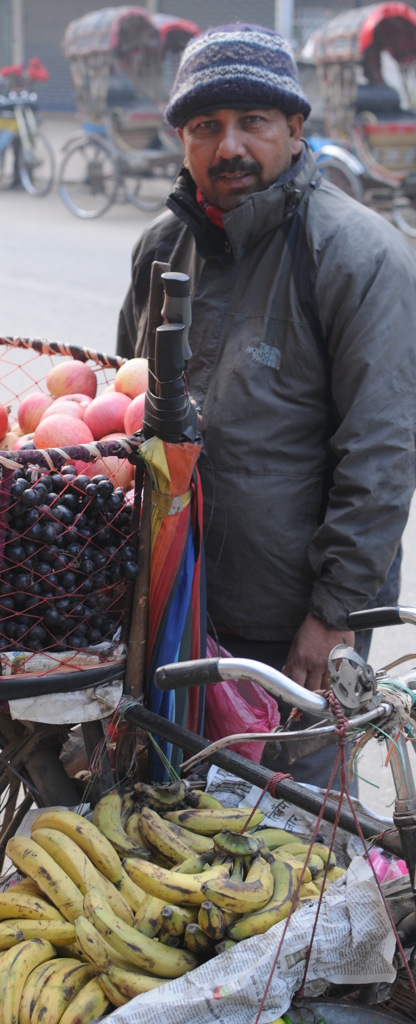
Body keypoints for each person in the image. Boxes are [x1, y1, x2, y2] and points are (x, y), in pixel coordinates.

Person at [117, 25, 416, 786]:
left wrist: (333, 617)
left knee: (294, 843)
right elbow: (121, 411)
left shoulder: (358, 256)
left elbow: (380, 453)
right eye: (206, 127)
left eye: (253, 121)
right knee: (171, 824)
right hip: (173, 602)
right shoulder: (160, 247)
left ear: (294, 130)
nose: (230, 148)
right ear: (183, 139)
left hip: (296, 623)